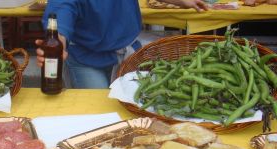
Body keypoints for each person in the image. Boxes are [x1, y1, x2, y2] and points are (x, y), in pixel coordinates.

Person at [36, 0, 208, 89]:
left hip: (128, 53)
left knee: (134, 104)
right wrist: (57, 43)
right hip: (86, 58)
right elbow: (60, 12)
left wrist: (184, 1)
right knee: (100, 109)